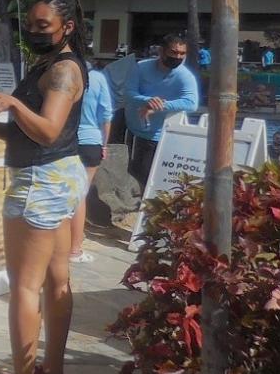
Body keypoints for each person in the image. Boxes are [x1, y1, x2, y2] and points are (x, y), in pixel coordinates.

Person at [0, 0, 87, 374]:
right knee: (57, 280)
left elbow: (48, 130)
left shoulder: (62, 70)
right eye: (30, 25)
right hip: (58, 176)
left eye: (44, 26)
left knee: (24, 286)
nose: (35, 32)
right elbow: (32, 130)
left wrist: (12, 102)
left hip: (40, 182)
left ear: (67, 27)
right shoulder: (54, 63)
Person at [124, 34, 200, 190]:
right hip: (132, 130)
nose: (178, 57)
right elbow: (128, 93)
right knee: (130, 173)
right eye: (173, 52)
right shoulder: (141, 67)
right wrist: (147, 100)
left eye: (182, 53)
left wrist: (160, 105)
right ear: (161, 51)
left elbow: (191, 103)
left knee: (149, 178)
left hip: (158, 136)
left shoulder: (185, 76)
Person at [69, 63, 113, 264]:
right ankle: (74, 249)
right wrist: (104, 144)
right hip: (90, 141)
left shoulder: (60, 73)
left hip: (64, 141)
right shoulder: (97, 78)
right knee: (80, 196)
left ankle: (62, 243)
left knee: (64, 194)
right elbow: (106, 115)